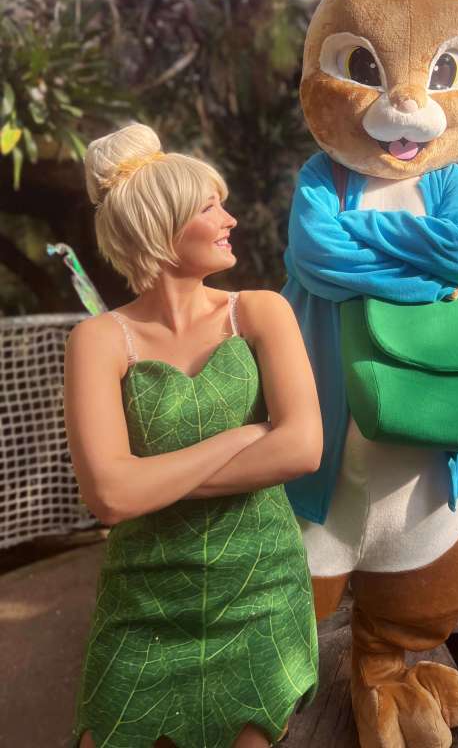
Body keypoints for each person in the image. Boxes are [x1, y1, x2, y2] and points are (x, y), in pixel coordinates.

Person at [64, 123, 322, 748]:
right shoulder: (97, 340)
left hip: (260, 588)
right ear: (161, 224)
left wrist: (147, 480)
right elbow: (110, 498)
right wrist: (241, 438)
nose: (230, 219)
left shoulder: (260, 311)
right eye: (210, 207)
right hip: (141, 599)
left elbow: (302, 448)